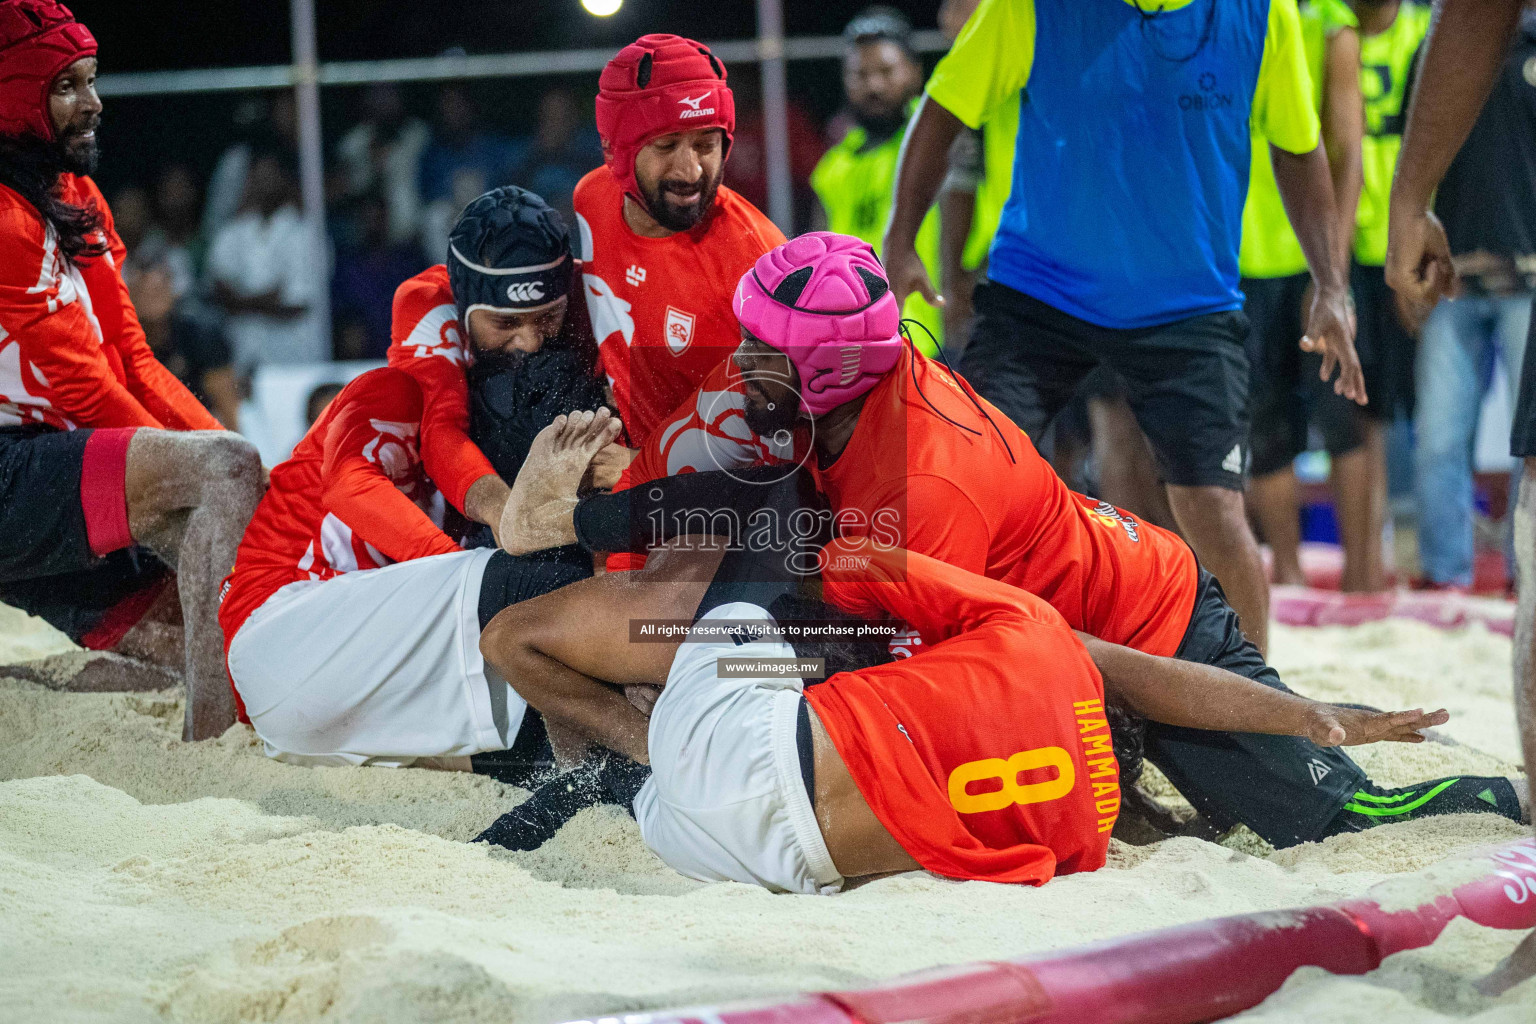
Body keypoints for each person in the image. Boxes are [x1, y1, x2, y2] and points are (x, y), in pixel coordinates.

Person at [534, 233, 1530, 850]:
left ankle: (1506, 800)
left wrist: (1300, 710)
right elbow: (763, 502)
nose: (739, 359)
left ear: (828, 372)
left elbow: (1040, 663)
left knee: (1331, 823)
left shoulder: (924, 488)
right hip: (1075, 607)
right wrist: (593, 521)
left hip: (1150, 631)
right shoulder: (858, 398)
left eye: (762, 349)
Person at [475, 495, 1493, 891]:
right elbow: (1165, 691)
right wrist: (1309, 715)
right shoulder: (1090, 833)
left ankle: (623, 739)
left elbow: (840, 553)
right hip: (761, 858)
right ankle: (626, 766)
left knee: (785, 532)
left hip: (729, 757)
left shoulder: (1032, 626)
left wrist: (1318, 712)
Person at [882, 0, 1367, 655]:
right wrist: (900, 237)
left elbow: (1299, 149)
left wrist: (1331, 286)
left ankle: (1254, 690)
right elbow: (942, 111)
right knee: (968, 477)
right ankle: (935, 653)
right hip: (1041, 293)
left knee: (1213, 509)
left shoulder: (1262, 14)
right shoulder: (1032, 9)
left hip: (1188, 304)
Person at [0, 0, 263, 739]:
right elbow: (83, 388)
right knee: (223, 482)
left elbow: (133, 359)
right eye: (66, 87)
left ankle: (14, 696)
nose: (93, 103)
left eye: (92, 80)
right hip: (15, 473)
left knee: (193, 645)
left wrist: (207, 458)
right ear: (13, 97)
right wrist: (202, 474)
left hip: (52, 468)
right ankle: (212, 750)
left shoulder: (73, 195)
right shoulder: (5, 217)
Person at [220, 367, 621, 766]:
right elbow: (349, 484)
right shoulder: (397, 390)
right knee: (558, 591)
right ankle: (673, 662)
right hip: (281, 627)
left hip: (330, 710)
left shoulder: (477, 455)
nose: (527, 343)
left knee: (534, 731)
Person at [1384, 0, 1536, 992]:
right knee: (1440, 446)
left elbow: (1479, 8)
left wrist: (1407, 201)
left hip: (1518, 273)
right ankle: (1443, 565)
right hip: (1485, 272)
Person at [575, 34, 786, 447]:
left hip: (721, 501)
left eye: (707, 144)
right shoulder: (591, 200)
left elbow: (785, 441)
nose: (690, 171)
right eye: (667, 145)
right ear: (612, 149)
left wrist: (649, 473)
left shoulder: (759, 265)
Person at [1240, 0, 1378, 590]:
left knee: (1342, 414)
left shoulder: (1330, 22)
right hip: (1235, 255)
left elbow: (1348, 157)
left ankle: (1363, 579)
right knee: (1263, 424)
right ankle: (1289, 578)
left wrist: (1332, 277)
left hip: (1312, 256)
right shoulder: (1223, 14)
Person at [387, 185, 609, 546]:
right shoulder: (427, 300)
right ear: (463, 307)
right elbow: (439, 429)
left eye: (548, 317)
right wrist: (511, 518)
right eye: (506, 324)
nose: (529, 340)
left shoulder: (593, 292)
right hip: (467, 514)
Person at [1410, 8, 1536, 592]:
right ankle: (1445, 577)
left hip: (1529, 283)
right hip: (1452, 279)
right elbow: (1406, 166)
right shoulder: (1436, 52)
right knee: (1437, 440)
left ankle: (1525, 578)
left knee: (1530, 450)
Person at [809, 7, 941, 353]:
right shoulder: (833, 168)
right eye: (860, 74)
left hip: (937, 346)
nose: (874, 85)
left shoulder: (940, 145)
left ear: (915, 71)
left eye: (886, 71)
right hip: (856, 352)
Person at [207, 147, 327, 374]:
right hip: (243, 360)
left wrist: (240, 301)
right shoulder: (233, 232)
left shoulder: (305, 233)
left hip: (293, 360)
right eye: (258, 174)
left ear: (286, 179)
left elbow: (295, 304)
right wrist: (264, 299)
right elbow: (217, 292)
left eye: (270, 174)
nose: (263, 181)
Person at [126, 262, 240, 429]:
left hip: (201, 431)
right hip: (143, 432)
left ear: (172, 293)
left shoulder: (201, 335)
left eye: (157, 292)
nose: (151, 302)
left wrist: (235, 445)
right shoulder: (121, 341)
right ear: (129, 296)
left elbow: (225, 399)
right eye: (142, 293)